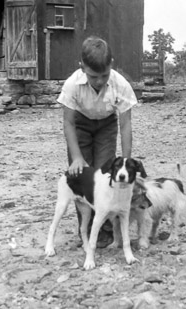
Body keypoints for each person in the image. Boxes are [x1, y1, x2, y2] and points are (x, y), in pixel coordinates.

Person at [57, 36, 138, 247]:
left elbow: (126, 125)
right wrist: (76, 157)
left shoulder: (121, 85)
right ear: (82, 67)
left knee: (104, 172)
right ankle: (85, 229)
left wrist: (127, 161)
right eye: (93, 77)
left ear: (111, 64)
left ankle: (106, 227)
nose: (100, 81)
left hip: (106, 126)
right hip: (80, 125)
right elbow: (68, 123)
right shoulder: (72, 85)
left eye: (104, 75)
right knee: (82, 175)